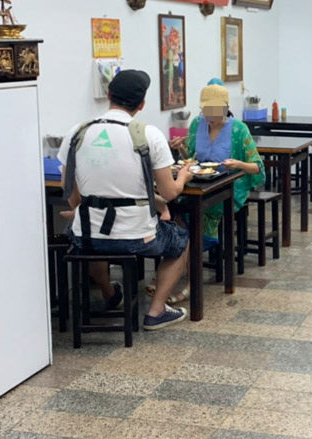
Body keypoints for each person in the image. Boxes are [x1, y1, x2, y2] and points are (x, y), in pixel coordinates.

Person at [58, 69, 192, 330]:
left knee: (92, 240)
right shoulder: (149, 135)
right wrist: (183, 176)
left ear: (109, 95)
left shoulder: (78, 132)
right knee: (180, 242)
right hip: (137, 236)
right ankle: (156, 311)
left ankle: (109, 293)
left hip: (89, 233)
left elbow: (68, 188)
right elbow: (169, 193)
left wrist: (79, 209)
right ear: (142, 105)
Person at [179, 83, 264, 240]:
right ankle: (186, 246)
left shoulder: (239, 129)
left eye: (215, 112)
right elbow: (189, 159)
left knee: (208, 207)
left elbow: (257, 167)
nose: (209, 117)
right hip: (199, 183)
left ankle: (202, 245)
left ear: (225, 109)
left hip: (230, 186)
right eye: (206, 112)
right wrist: (181, 148)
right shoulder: (197, 124)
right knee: (178, 203)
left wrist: (238, 164)